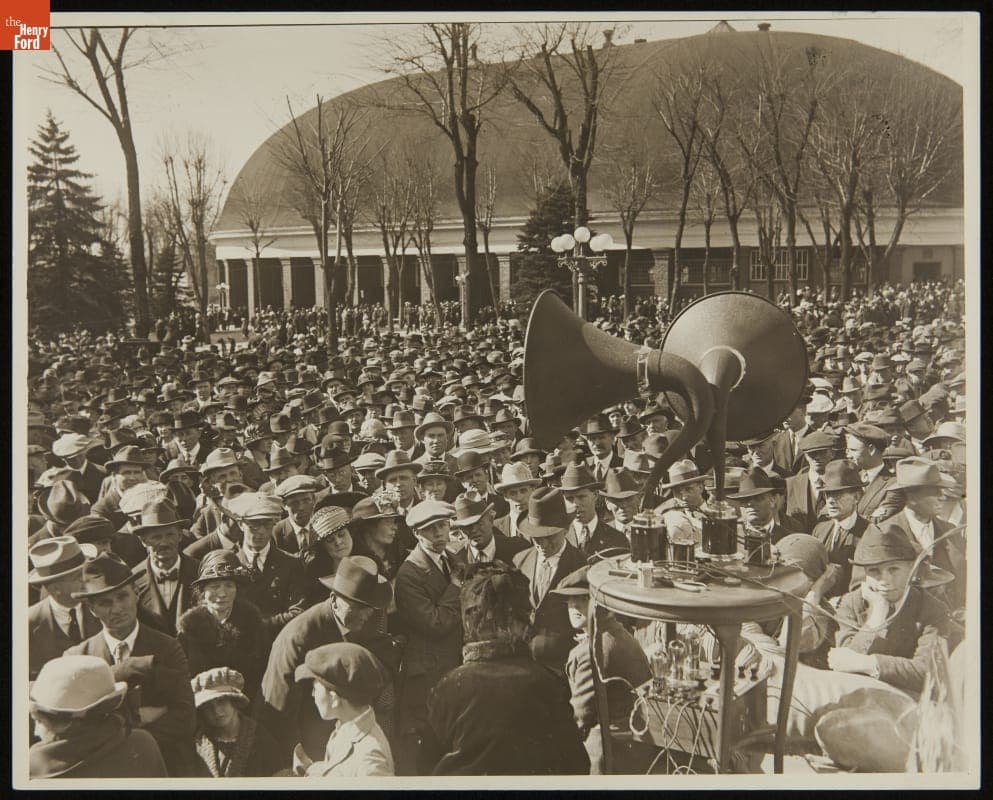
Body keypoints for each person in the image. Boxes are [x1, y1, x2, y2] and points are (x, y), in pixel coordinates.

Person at [418, 561, 589, 775]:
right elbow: (576, 764)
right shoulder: (545, 682)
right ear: (519, 621)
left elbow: (424, 766)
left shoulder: (448, 686)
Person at [65, 553, 198, 776]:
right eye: (105, 602)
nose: (117, 608)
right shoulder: (77, 658)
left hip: (162, 764)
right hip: (100, 772)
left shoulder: (168, 648)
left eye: (122, 597)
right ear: (91, 609)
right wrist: (140, 717)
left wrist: (115, 733)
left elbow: (184, 718)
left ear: (136, 594)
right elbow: (76, 730)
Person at [258, 555, 398, 767]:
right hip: (308, 741)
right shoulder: (298, 637)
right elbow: (279, 708)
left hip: (350, 730)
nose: (366, 614)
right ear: (334, 600)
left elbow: (383, 658)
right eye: (358, 606)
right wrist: (295, 760)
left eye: (370, 607)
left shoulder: (364, 618)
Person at [830, 525, 956, 694]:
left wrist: (868, 663)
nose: (885, 580)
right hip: (857, 701)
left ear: (911, 570)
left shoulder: (932, 609)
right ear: (865, 573)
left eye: (894, 569)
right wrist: (877, 616)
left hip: (907, 705)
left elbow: (927, 671)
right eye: (874, 571)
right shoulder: (851, 603)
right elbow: (844, 664)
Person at [552, 566, 653, 774]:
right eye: (569, 600)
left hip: (607, 749)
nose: (573, 606)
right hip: (634, 743)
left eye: (582, 599)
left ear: (600, 604)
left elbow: (580, 715)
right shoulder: (616, 634)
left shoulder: (595, 649)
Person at [393, 499, 464, 775]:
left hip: (453, 662)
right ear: (416, 534)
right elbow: (435, 623)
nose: (438, 534)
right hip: (430, 673)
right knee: (433, 743)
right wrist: (457, 586)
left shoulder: (451, 558)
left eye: (443, 526)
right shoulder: (409, 574)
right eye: (430, 529)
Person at [29, 655, 167, 778]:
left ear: (68, 724)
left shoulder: (32, 769)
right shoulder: (143, 744)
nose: (36, 732)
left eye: (39, 721)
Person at [177, 550, 271, 702]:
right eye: (214, 586)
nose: (222, 594)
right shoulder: (189, 626)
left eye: (229, 586)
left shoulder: (251, 620)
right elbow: (184, 677)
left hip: (246, 703)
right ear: (202, 591)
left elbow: (262, 670)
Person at [292, 643, 394, 777]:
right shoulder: (347, 726)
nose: (312, 694)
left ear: (334, 699)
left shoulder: (370, 761)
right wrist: (311, 770)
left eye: (315, 689)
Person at [512, 487, 587, 670]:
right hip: (524, 665)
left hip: (564, 667)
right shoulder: (519, 561)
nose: (543, 544)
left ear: (566, 528)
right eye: (536, 538)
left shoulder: (582, 566)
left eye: (550, 536)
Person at [226, 491, 310, 634]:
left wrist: (262, 626)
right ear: (241, 524)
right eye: (254, 526)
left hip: (277, 640)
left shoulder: (291, 563)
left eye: (267, 525)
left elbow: (298, 610)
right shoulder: (229, 562)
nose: (261, 532)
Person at [28, 537, 101, 680]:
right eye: (77, 576)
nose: (85, 579)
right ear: (56, 589)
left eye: (86, 572)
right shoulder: (27, 624)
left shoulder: (102, 605)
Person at [190, 667, 282, 777]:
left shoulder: (261, 740)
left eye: (221, 702)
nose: (216, 711)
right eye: (208, 707)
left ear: (233, 702)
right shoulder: (198, 744)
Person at [130, 499, 201, 637]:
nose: (164, 542)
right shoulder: (133, 580)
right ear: (144, 541)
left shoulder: (199, 572)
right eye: (156, 537)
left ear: (180, 536)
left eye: (170, 535)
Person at [811, 459, 872, 599]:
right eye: (828, 494)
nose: (831, 500)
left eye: (837, 494)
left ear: (856, 497)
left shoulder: (869, 532)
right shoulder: (819, 529)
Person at [558, 463, 629, 557]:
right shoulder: (558, 537)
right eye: (569, 498)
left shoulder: (617, 538)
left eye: (581, 497)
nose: (575, 504)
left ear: (595, 495)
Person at [449, 494, 530, 566]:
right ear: (461, 529)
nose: (474, 530)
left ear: (491, 520)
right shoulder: (453, 557)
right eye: (467, 526)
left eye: (479, 523)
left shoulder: (518, 549)